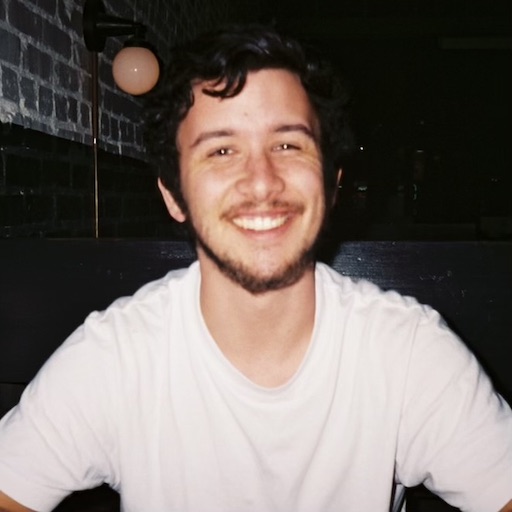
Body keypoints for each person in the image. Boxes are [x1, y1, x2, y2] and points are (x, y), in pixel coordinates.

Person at [0, 24, 511, 512]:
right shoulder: (115, 358)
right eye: (222, 150)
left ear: (331, 183)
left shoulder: (407, 352)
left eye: (288, 145)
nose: (262, 181)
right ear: (173, 194)